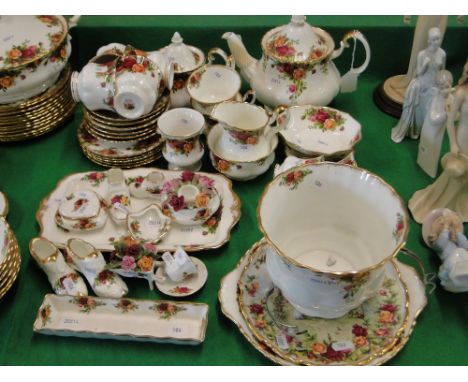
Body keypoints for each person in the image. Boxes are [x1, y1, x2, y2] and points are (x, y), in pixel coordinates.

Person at [409, 61, 468, 222]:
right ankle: (439, 204)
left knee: (465, 178)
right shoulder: (462, 92)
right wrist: (454, 144)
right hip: (462, 140)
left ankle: (456, 204)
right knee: (455, 173)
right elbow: (450, 120)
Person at [391, 27, 446, 143]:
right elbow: (418, 73)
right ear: (429, 40)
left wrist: (442, 85)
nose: (437, 41)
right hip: (422, 85)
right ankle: (415, 130)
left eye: (438, 39)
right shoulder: (422, 54)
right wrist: (425, 65)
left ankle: (425, 132)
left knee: (428, 111)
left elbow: (442, 72)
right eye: (434, 39)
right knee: (419, 111)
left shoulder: (442, 54)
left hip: (433, 87)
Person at [417, 70, 453, 178]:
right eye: (444, 88)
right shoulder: (435, 98)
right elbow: (433, 118)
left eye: (448, 86)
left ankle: (429, 168)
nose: (447, 90)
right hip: (431, 130)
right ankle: (424, 165)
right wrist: (446, 114)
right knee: (429, 148)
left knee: (434, 150)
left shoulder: (450, 98)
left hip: (439, 131)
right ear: (438, 88)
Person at [426, 209, 468, 292]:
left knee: (461, 252)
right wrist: (445, 227)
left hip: (462, 263)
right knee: (458, 253)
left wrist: (458, 232)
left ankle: (463, 277)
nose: (449, 227)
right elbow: (441, 245)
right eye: (449, 226)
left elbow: (466, 247)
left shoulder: (455, 242)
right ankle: (459, 276)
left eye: (452, 225)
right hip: (450, 268)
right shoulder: (437, 242)